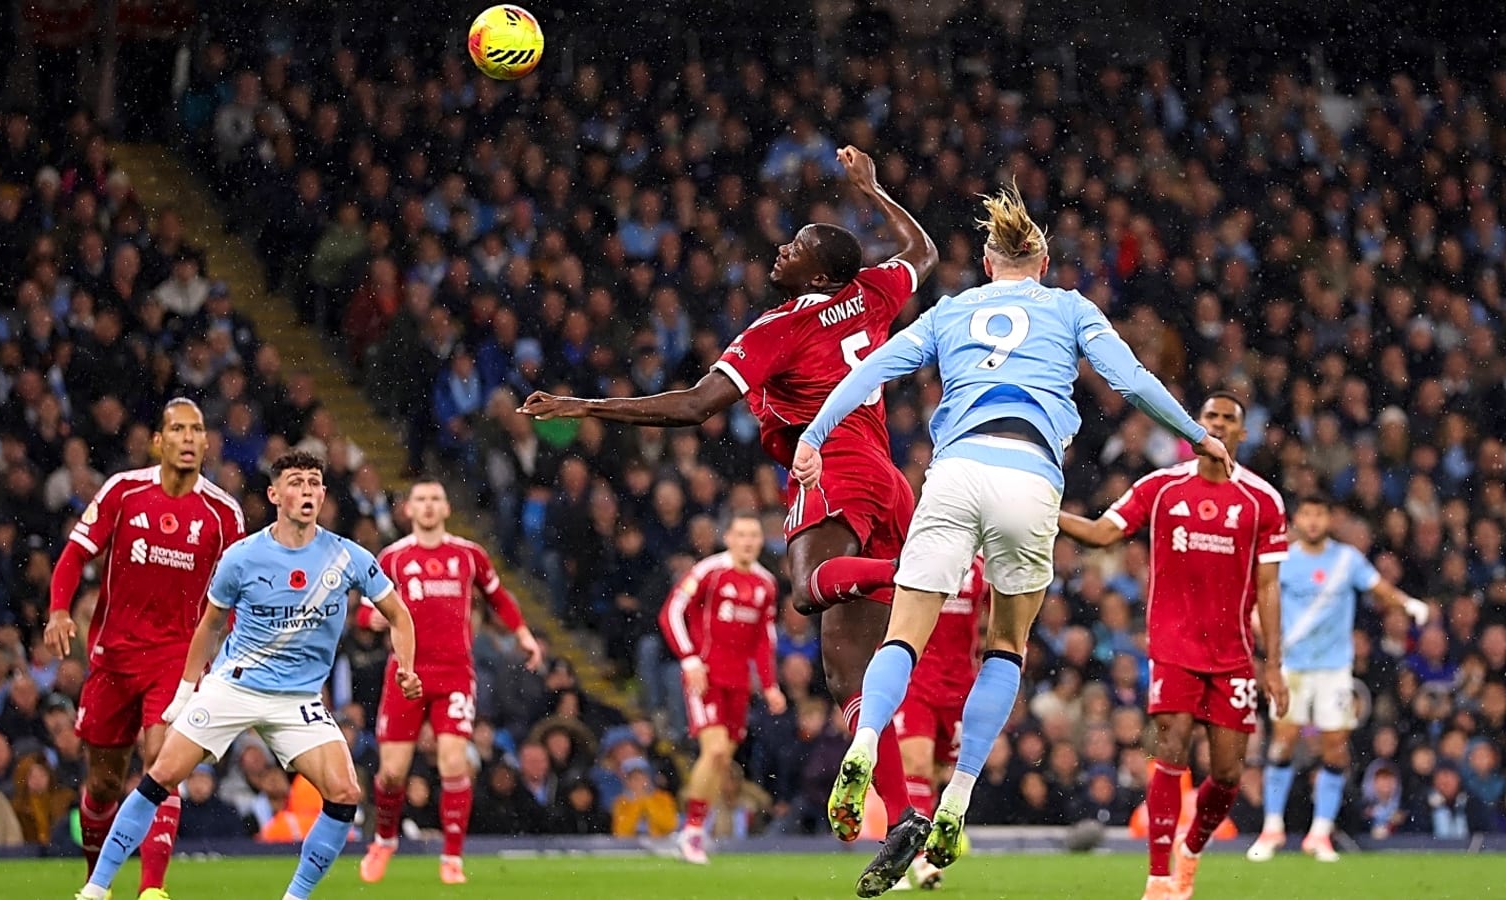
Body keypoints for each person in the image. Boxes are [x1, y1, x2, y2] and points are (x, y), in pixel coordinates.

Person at [792, 185, 1228, 897]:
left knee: (901, 636)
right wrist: (1198, 433)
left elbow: (871, 370)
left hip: (957, 469)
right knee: (1005, 646)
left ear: (989, 265)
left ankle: (866, 742)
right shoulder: (1070, 308)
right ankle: (957, 802)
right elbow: (1133, 380)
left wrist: (814, 434)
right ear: (1046, 261)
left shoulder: (954, 309)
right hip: (1029, 477)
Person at [520, 145, 939, 871]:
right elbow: (923, 250)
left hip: (832, 464)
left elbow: (694, 406)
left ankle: (919, 569)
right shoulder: (872, 292)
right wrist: (873, 189)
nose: (783, 249)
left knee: (808, 589)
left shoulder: (780, 328)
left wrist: (582, 404)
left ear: (819, 273)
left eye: (798, 247)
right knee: (850, 673)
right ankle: (903, 815)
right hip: (887, 478)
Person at [73, 451, 423, 900]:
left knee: (345, 791)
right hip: (234, 686)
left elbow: (399, 615)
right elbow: (210, 625)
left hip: (297, 699)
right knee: (161, 773)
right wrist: (184, 692)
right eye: (296, 482)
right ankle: (97, 888)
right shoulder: (242, 556)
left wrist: (407, 668)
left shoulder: (347, 556)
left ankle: (294, 898)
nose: (308, 491)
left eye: (315, 482)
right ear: (275, 495)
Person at [1057, 392, 1286, 900]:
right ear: (1194, 427)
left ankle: (1191, 849)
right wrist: (1045, 513)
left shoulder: (1262, 501)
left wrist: (1274, 665)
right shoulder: (1159, 488)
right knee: (1171, 750)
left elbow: (1268, 589)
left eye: (1230, 419)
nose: (1220, 425)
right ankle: (1159, 877)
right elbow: (1100, 534)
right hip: (1174, 646)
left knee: (1227, 775)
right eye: (1211, 417)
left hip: (1233, 655)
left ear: (1241, 434)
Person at [45, 397, 245, 900]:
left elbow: (243, 590)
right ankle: (97, 881)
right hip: (113, 657)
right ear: (158, 441)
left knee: (162, 763)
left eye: (195, 430)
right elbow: (74, 554)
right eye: (176, 429)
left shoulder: (223, 513)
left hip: (178, 660)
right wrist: (59, 610)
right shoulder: (124, 491)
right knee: (104, 785)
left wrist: (235, 652)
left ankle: (152, 889)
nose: (186, 438)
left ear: (205, 442)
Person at [358, 481, 543, 887]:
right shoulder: (393, 557)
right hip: (406, 672)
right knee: (391, 774)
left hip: (456, 673)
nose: (427, 506)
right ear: (409, 509)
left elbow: (498, 598)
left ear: (446, 508)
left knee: (455, 763)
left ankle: (452, 857)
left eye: (435, 499)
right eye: (420, 499)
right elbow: (364, 609)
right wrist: (369, 620)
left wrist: (524, 634)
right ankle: (384, 840)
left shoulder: (468, 555)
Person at [1248, 495, 1431, 863]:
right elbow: (1259, 604)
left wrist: (1408, 604)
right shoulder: (1283, 558)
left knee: (1335, 746)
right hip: (1293, 668)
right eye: (1307, 514)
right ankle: (1272, 828)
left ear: (1329, 519)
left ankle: (1319, 834)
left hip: (1333, 669)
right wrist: (1266, 638)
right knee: (1283, 741)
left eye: (1319, 514)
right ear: (1297, 519)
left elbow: (1378, 588)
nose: (1313, 521)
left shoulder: (1346, 560)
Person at [657, 513, 785, 864]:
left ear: (760, 541)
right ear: (727, 537)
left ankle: (693, 831)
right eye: (741, 534)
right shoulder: (708, 571)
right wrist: (690, 659)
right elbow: (671, 612)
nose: (747, 541)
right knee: (714, 753)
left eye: (754, 535)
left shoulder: (766, 583)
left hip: (738, 682)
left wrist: (770, 685)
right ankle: (692, 832)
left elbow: (764, 640)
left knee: (722, 759)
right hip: (706, 677)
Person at [891, 560, 986, 891]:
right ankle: (908, 856)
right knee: (914, 762)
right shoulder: (922, 554)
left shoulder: (982, 568)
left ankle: (913, 849)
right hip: (917, 676)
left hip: (959, 683)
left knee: (934, 771)